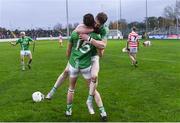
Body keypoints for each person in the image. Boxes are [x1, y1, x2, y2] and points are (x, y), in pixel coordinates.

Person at [65, 13, 107, 121]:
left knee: (72, 88)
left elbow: (68, 51)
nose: (97, 25)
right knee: (92, 86)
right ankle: (101, 111)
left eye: (99, 24)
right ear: (93, 21)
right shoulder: (95, 34)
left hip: (78, 62)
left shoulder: (76, 33)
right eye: (95, 23)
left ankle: (69, 110)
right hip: (86, 62)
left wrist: (88, 38)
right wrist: (93, 39)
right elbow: (102, 47)